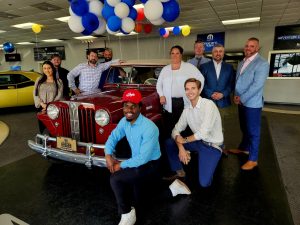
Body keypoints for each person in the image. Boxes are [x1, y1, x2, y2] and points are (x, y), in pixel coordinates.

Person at [105, 89, 191, 225]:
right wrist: (108, 154)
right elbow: (113, 137)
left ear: (140, 107)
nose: (129, 109)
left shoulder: (149, 128)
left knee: (115, 178)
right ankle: (173, 189)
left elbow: (142, 159)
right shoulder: (124, 121)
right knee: (141, 201)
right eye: (126, 105)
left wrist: (119, 165)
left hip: (151, 165)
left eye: (133, 106)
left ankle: (127, 214)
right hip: (138, 163)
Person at [165, 78, 223, 187]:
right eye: (187, 89)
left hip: (212, 145)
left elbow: (203, 133)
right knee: (169, 142)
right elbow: (175, 130)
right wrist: (181, 148)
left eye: (193, 88)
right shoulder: (187, 110)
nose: (190, 91)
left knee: (204, 183)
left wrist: (184, 140)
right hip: (198, 142)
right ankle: (179, 172)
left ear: (199, 90)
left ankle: (214, 158)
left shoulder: (208, 105)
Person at [229, 37, 270, 170]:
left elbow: (257, 85)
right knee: (244, 127)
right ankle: (244, 149)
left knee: (253, 131)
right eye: (247, 45)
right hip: (241, 101)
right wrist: (236, 95)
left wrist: (242, 98)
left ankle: (253, 159)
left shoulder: (262, 63)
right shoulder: (242, 62)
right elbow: (239, 81)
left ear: (257, 48)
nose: (248, 48)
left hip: (252, 103)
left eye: (252, 46)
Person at [156, 45, 205, 137]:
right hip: (169, 102)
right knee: (170, 125)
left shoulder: (189, 67)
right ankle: (172, 144)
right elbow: (159, 84)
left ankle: (185, 145)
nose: (175, 55)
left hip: (184, 101)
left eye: (177, 53)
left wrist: (196, 94)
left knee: (184, 124)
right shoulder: (165, 69)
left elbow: (201, 79)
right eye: (172, 53)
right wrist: (161, 95)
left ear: (181, 55)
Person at [200, 44, 235, 132]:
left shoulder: (229, 68)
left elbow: (231, 84)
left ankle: (219, 145)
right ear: (212, 53)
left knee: (220, 127)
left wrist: (223, 94)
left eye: (220, 51)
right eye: (216, 51)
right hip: (207, 101)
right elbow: (201, 83)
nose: (218, 53)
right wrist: (210, 93)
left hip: (223, 103)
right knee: (205, 126)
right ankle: (206, 145)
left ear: (223, 53)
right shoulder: (204, 66)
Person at [33, 61, 63, 132]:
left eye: (49, 68)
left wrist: (48, 106)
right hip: (41, 107)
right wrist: (42, 104)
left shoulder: (59, 81)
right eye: (45, 68)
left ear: (52, 68)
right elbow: (35, 93)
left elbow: (59, 95)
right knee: (42, 128)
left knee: (53, 127)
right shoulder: (39, 80)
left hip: (53, 109)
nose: (47, 70)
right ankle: (43, 141)